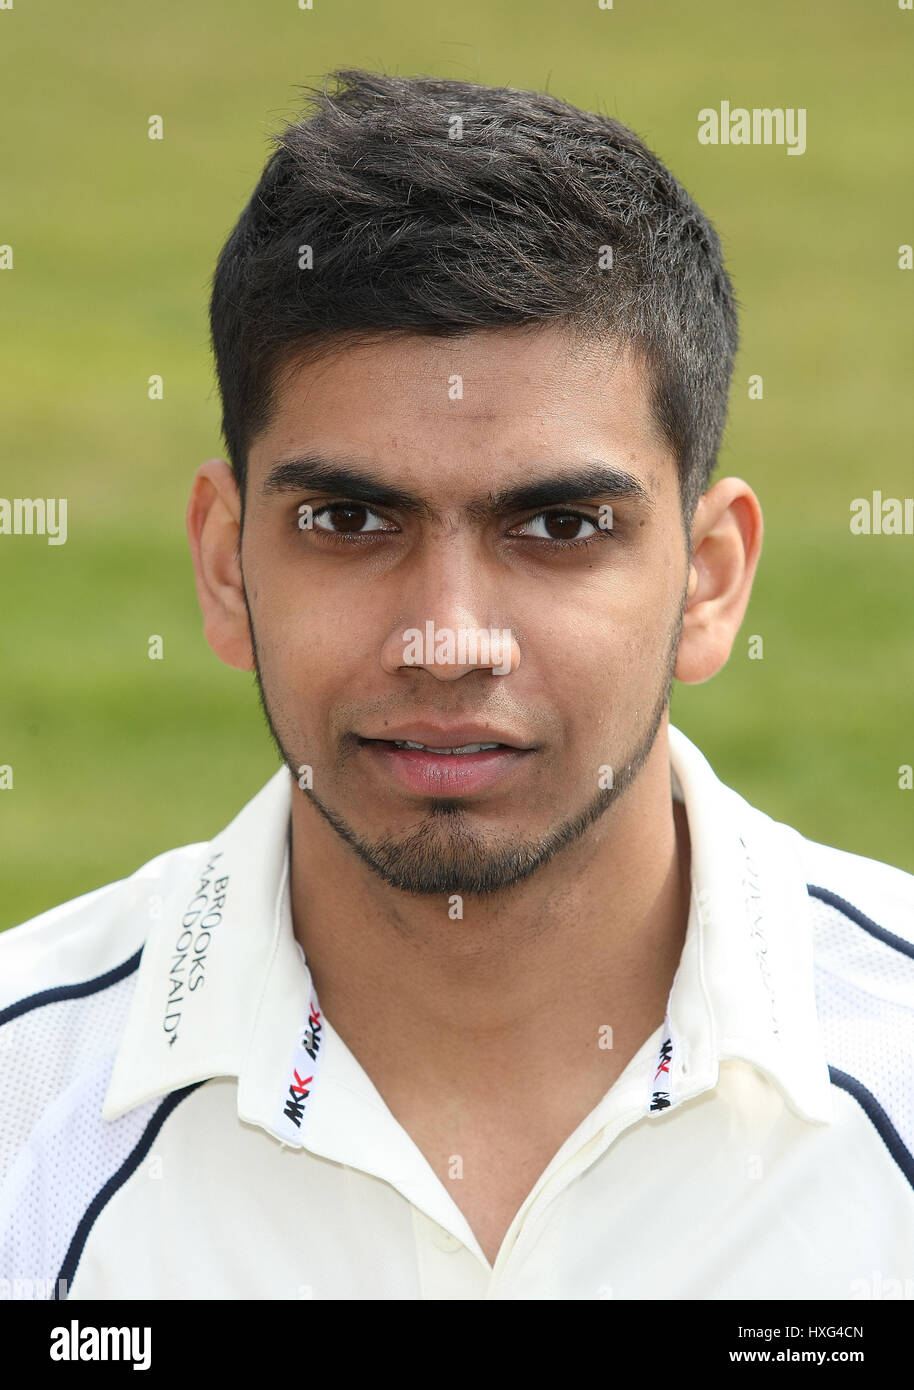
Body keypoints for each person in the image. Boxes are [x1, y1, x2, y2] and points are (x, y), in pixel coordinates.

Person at [2, 69, 911, 1302]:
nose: (446, 641)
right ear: (226, 565)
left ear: (706, 579)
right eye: (347, 518)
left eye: (556, 527)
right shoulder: (26, 1117)